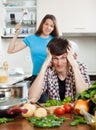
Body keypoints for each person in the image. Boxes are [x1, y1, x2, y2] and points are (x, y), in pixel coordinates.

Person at [7, 14, 59, 102]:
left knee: (54, 106)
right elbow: (11, 50)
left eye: (51, 26)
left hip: (53, 77)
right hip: (37, 76)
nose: (48, 27)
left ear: (54, 28)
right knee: (39, 104)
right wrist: (16, 33)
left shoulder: (55, 40)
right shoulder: (31, 38)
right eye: (46, 24)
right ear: (42, 24)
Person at [28, 37, 91, 103]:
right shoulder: (49, 70)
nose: (59, 63)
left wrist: (74, 66)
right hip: (54, 112)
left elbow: (85, 97)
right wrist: (44, 66)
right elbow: (32, 97)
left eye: (63, 58)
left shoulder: (80, 67)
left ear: (69, 56)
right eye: (55, 58)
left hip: (76, 111)